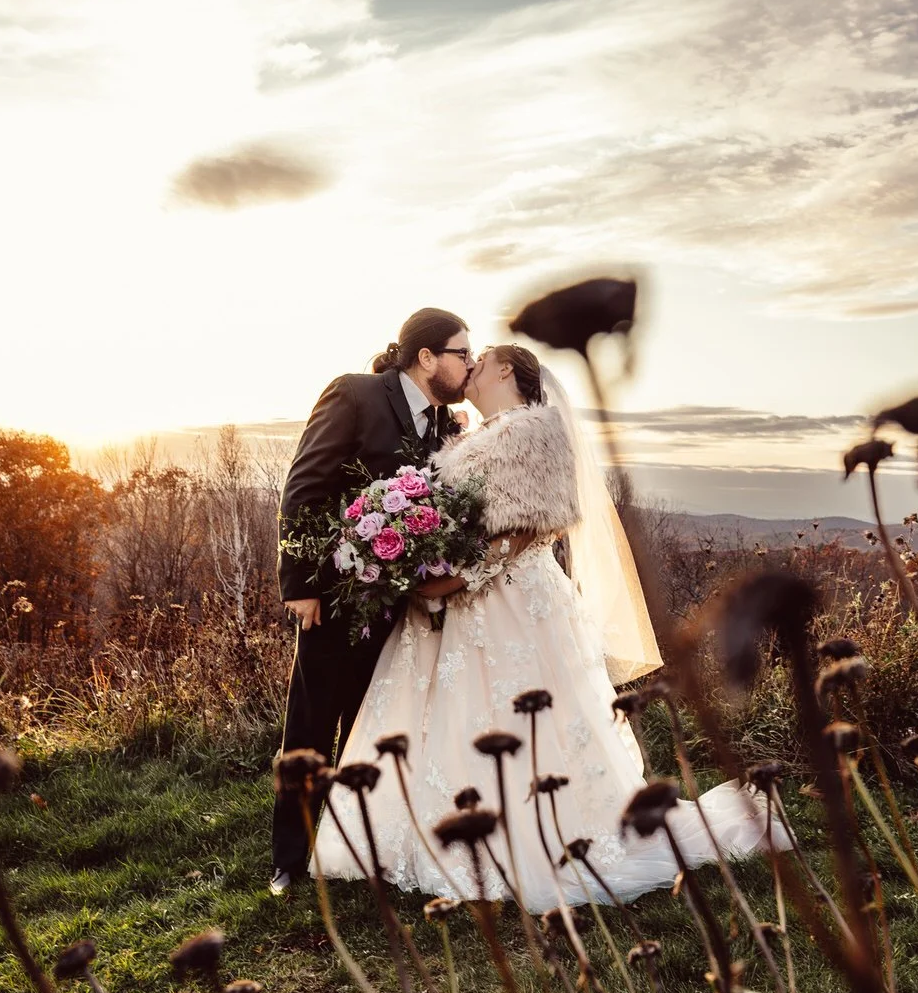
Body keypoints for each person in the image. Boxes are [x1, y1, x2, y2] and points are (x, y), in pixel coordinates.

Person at [312, 343, 787, 911]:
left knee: (508, 714)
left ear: (506, 369)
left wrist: (451, 582)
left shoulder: (537, 431)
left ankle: (523, 838)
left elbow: (529, 533)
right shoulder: (472, 433)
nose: (471, 365)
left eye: (480, 358)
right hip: (461, 607)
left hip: (510, 604)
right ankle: (417, 834)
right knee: (450, 713)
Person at [270, 308, 471, 894]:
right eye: (462, 352)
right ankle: (289, 857)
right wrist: (301, 584)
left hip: (396, 606)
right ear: (427, 357)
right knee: (311, 726)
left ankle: (351, 850)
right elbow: (304, 486)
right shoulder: (355, 395)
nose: (470, 363)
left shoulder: (443, 423)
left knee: (369, 727)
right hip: (331, 596)